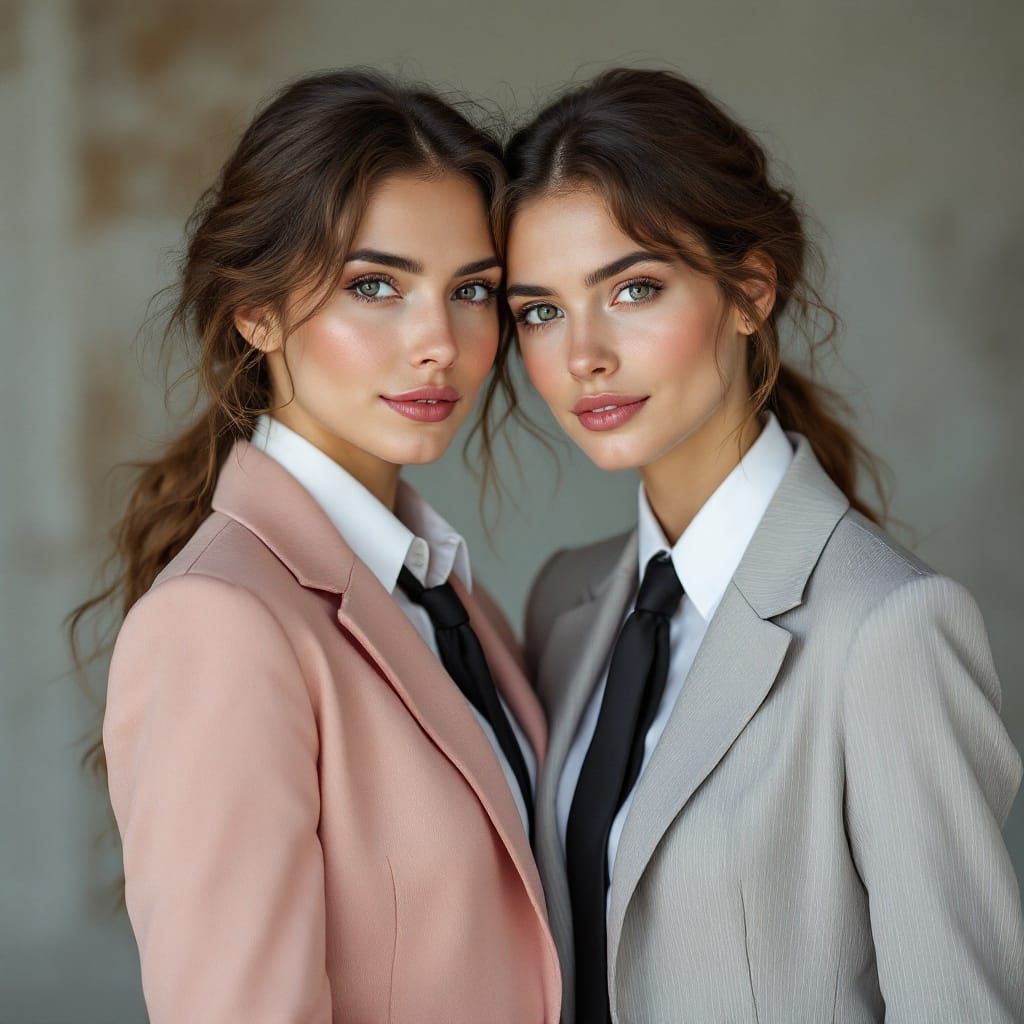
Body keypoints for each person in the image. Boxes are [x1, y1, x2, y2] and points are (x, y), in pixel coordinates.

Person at [493, 67, 1024, 1023]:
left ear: (749, 291)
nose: (582, 356)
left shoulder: (889, 632)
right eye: (539, 310)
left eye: (635, 289)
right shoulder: (564, 606)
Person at [71, 70, 560, 1023]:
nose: (438, 342)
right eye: (374, 285)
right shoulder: (221, 624)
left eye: (472, 291)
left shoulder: (448, 594)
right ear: (256, 313)